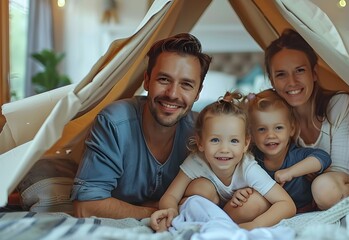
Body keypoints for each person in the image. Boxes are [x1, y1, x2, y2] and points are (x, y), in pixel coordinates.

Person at [70, 33, 212, 219]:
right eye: (164, 80)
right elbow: (86, 206)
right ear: (147, 80)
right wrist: (157, 211)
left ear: (198, 92)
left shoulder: (202, 131)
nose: (172, 94)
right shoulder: (113, 122)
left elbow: (215, 193)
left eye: (186, 84)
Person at [150, 91, 296, 232]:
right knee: (202, 188)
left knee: (256, 202)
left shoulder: (248, 168)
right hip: (205, 206)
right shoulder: (196, 161)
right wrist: (170, 212)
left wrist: (254, 225)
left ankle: (220, 225)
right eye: (215, 140)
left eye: (234, 141)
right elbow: (170, 196)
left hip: (234, 212)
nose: (224, 149)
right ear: (200, 142)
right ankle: (207, 221)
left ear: (245, 144)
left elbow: (287, 204)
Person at [263, 29, 349, 209]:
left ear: (314, 73)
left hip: (345, 187)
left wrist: (303, 171)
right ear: (272, 80)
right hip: (300, 195)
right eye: (281, 74)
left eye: (299, 70)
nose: (292, 82)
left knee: (324, 187)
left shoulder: (339, 103)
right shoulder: (274, 117)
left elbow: (340, 171)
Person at [233, 89, 331, 213]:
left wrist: (290, 172)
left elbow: (323, 157)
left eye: (278, 128)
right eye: (262, 129)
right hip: (272, 212)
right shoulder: (251, 161)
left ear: (292, 129)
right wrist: (240, 192)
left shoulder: (296, 156)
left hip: (305, 209)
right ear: (251, 134)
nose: (270, 135)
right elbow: (238, 181)